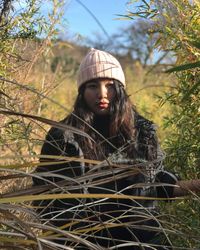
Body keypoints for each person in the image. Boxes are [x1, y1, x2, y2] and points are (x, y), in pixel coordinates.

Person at [33, 48, 178, 249]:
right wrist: (58, 237)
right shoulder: (62, 136)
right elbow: (42, 191)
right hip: (81, 241)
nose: (102, 94)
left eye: (110, 85)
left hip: (139, 239)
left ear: (120, 89)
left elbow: (156, 177)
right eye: (93, 86)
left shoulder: (143, 132)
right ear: (82, 92)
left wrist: (175, 183)